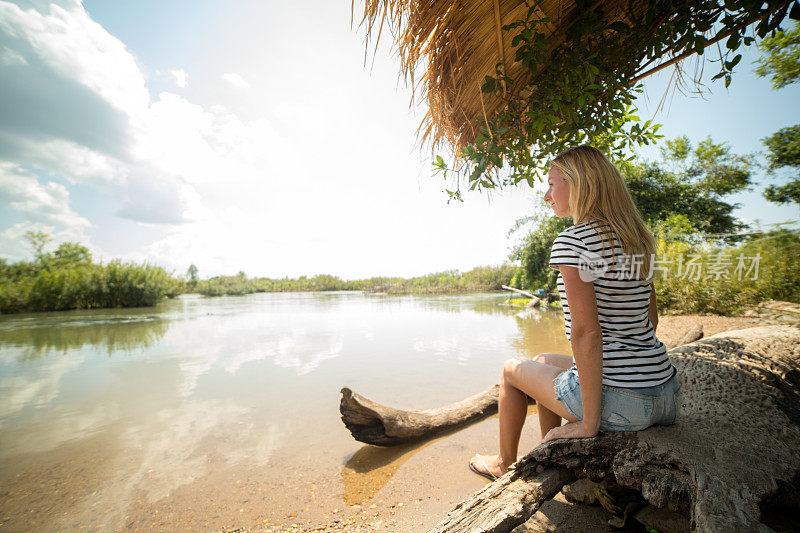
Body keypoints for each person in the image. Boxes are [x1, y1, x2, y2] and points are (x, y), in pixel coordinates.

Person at [469, 145, 681, 481]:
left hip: (625, 403)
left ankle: (503, 462)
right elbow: (651, 320)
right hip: (666, 394)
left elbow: (586, 333)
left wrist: (588, 423)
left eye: (552, 184)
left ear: (580, 184)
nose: (546, 195)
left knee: (511, 370)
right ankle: (547, 451)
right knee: (541, 359)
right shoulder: (638, 240)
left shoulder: (573, 241)